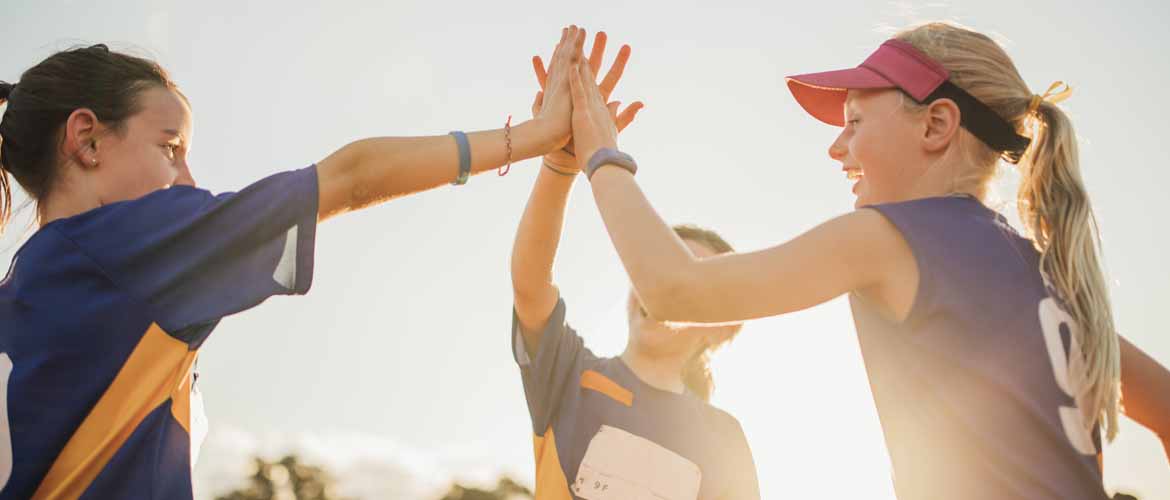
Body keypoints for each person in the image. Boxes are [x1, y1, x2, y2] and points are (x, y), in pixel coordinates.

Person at [564, 21, 1170, 499]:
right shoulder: (1045, 276)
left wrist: (600, 152)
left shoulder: (889, 237)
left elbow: (675, 290)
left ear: (936, 124)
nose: (836, 145)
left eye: (854, 121)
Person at [0, 26, 584, 499]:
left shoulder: (25, 286)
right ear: (87, 139)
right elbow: (351, 177)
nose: (189, 179)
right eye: (169, 148)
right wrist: (536, 136)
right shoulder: (128, 246)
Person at [512, 33, 759, 499]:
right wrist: (560, 164)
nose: (661, 290)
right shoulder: (572, 374)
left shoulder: (724, 437)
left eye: (689, 279)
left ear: (724, 329)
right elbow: (530, 284)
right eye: (655, 273)